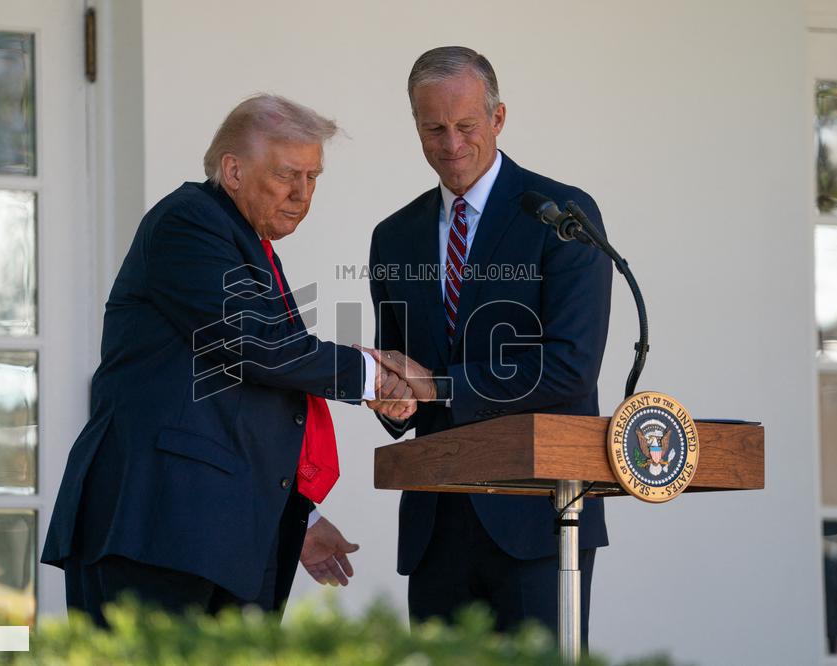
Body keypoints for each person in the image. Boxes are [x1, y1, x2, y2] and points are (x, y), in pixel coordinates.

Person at [41, 94, 413, 626]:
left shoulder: (245, 241)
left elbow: (240, 398)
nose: (302, 193)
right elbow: (255, 345)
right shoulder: (188, 221)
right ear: (233, 170)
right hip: (158, 527)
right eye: (287, 175)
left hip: (219, 533)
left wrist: (301, 518)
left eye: (313, 177)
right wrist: (372, 375)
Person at [367, 46, 613, 639]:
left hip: (541, 515)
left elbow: (571, 365)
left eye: (466, 125)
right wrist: (392, 396)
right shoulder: (393, 236)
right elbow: (400, 365)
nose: (450, 143)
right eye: (434, 128)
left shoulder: (563, 216)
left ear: (498, 118)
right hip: (435, 521)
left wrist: (440, 386)